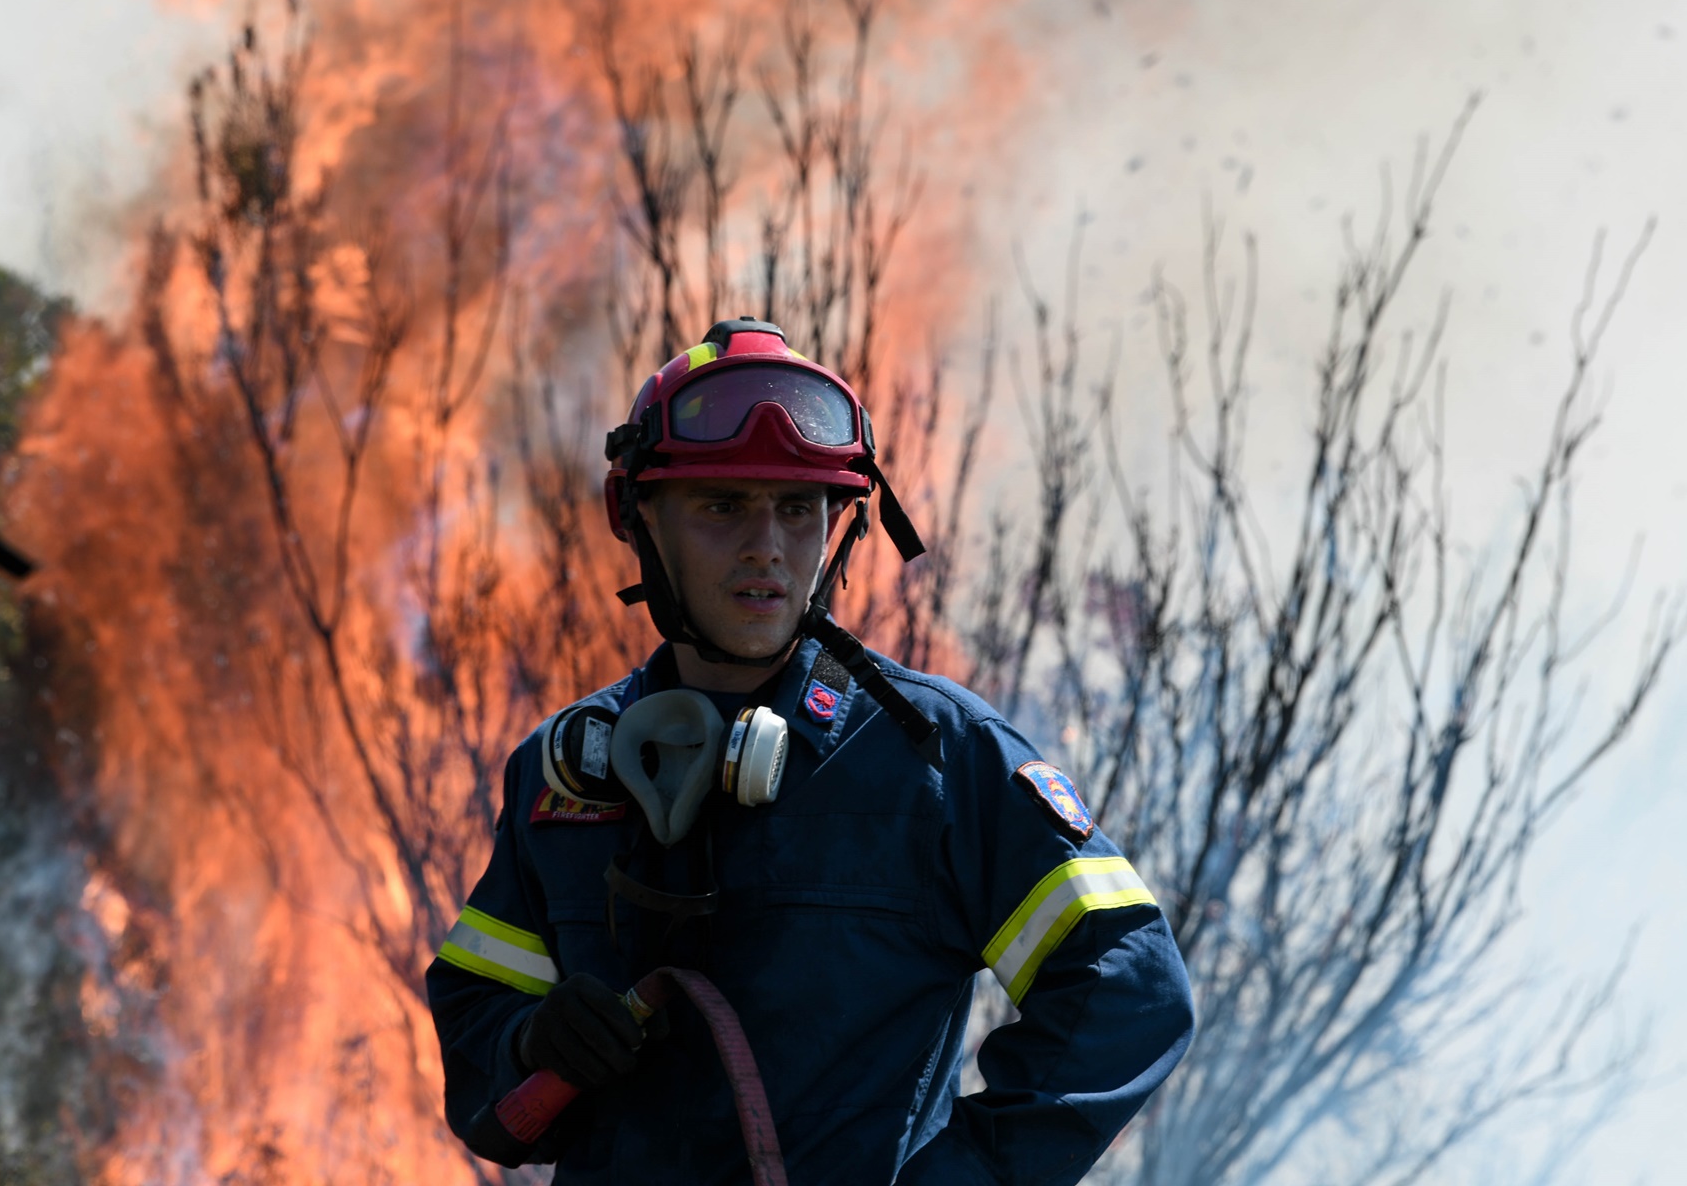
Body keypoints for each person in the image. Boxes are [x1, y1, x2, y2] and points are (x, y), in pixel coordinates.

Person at [426, 318, 1194, 1183]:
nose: (768, 547)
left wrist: (963, 1178)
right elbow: (482, 1054)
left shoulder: (934, 758)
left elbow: (1129, 988)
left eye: (798, 509)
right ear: (636, 516)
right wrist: (529, 1039)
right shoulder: (566, 776)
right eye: (723, 506)